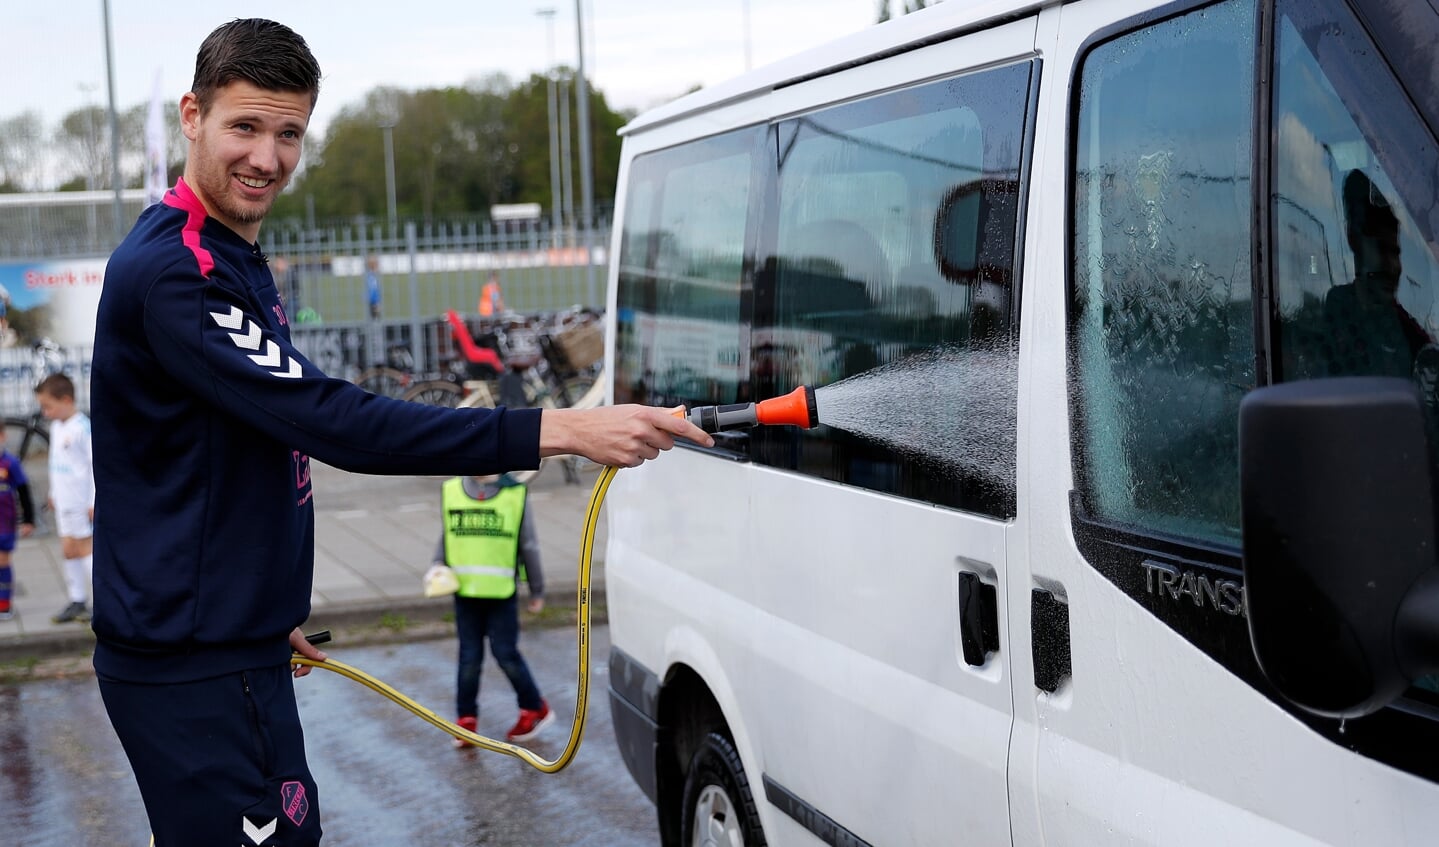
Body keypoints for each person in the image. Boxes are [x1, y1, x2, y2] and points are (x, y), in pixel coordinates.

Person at [89, 19, 710, 847]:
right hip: (192, 664)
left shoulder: (228, 251)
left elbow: (229, 449)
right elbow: (331, 421)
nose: (267, 159)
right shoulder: (181, 271)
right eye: (245, 126)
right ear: (192, 116)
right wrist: (559, 427)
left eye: (288, 134)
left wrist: (255, 602)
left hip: (230, 638)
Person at [430, 472, 552, 747]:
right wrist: (437, 563)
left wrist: (537, 589)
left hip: (501, 593)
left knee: (505, 653)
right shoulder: (452, 490)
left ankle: (534, 707)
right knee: (469, 657)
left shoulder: (514, 494)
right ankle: (466, 719)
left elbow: (528, 544)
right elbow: (448, 533)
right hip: (465, 592)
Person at [1323, 169, 1430, 377]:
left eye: (1396, 253)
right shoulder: (1334, 312)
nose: (1393, 266)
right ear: (1354, 241)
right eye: (1381, 249)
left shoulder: (1410, 335)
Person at [34, 374, 93, 625]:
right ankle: (77, 599)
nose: (45, 413)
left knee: (85, 548)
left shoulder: (83, 428)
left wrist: (93, 501)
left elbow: (94, 466)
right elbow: (56, 463)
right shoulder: (57, 427)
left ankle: (104, 599)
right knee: (69, 550)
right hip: (64, 501)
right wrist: (53, 494)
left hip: (81, 501)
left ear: (67, 400)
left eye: (48, 406)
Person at [0, 426, 37, 621]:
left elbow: (23, 491)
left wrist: (29, 520)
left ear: (3, 436)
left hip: (5, 524)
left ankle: (4, 604)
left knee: (3, 562)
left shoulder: (10, 463)